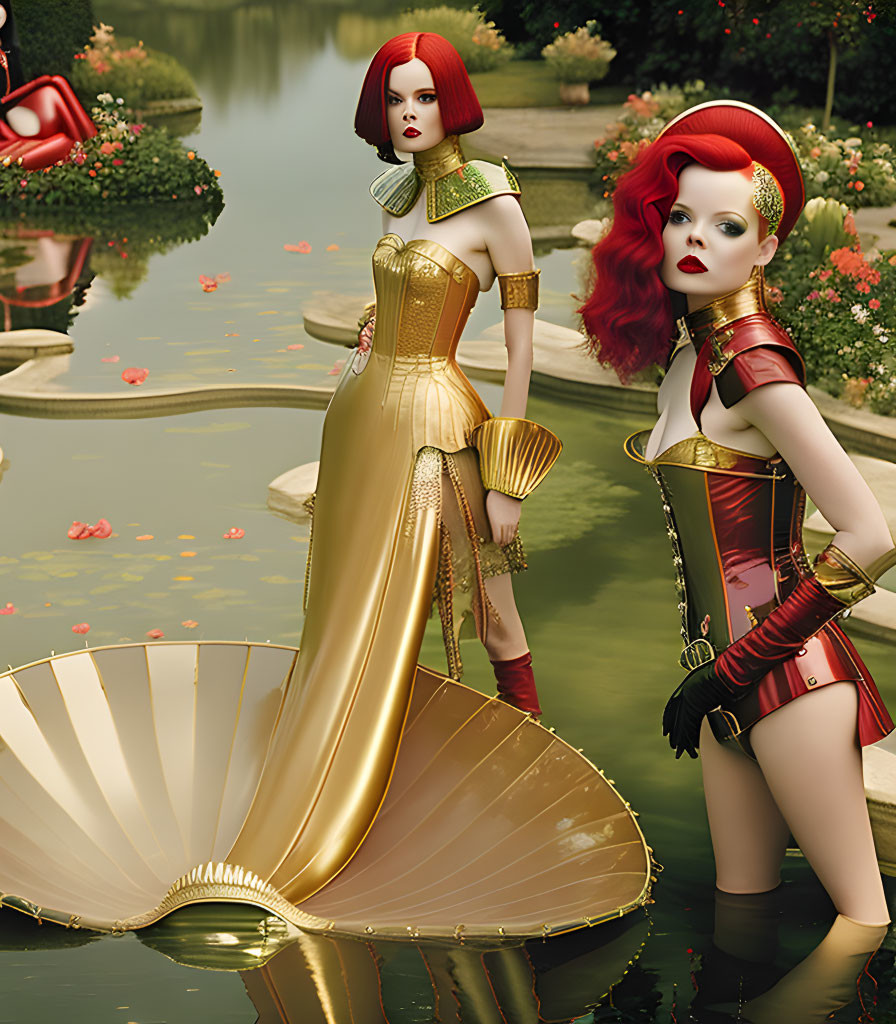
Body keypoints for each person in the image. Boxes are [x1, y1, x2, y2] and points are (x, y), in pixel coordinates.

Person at [221, 31, 559, 903]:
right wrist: (374, 337)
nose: (410, 115)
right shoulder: (393, 190)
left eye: (425, 99)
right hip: (363, 415)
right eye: (396, 99)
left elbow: (521, 352)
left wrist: (507, 472)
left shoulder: (495, 203)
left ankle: (536, 777)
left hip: (440, 426)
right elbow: (393, 299)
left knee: (488, 606)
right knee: (351, 606)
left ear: (453, 101)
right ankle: (366, 781)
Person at [581, 101, 894, 941]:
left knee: (858, 924)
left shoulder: (752, 364)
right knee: (739, 919)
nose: (694, 238)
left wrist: (733, 671)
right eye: (681, 216)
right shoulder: (687, 356)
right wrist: (716, 680)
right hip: (717, 684)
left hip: (786, 680)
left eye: (726, 225)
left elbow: (871, 533)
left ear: (766, 247)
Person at [0, 0, 96, 172]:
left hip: (16, 105)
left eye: (0, 5)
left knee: (55, 84)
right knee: (52, 88)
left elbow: (19, 84)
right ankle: (90, 143)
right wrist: (8, 101)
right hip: (1, 111)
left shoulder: (9, 47)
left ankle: (85, 143)